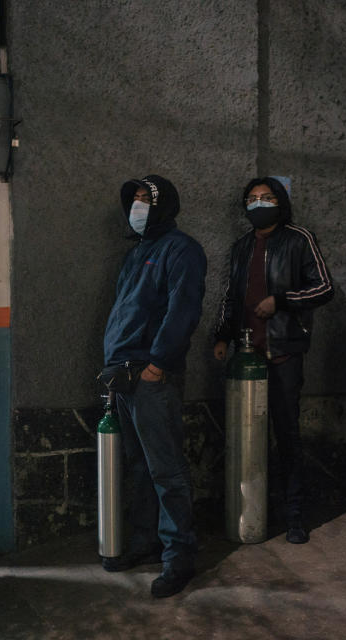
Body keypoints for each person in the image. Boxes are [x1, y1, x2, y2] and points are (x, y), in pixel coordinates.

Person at [99, 175, 206, 598]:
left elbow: (183, 309)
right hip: (123, 375)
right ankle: (147, 544)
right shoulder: (137, 253)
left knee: (166, 468)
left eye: (146, 199)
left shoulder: (182, 250)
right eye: (134, 199)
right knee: (139, 465)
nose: (138, 205)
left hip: (150, 375)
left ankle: (179, 556)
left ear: (164, 205)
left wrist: (157, 366)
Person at [213, 176, 334, 544]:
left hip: (283, 354)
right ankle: (250, 512)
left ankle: (294, 516)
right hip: (246, 357)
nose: (258, 203)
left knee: (287, 435)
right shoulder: (241, 247)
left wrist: (281, 301)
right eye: (251, 198)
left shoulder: (299, 239)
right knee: (246, 438)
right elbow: (230, 297)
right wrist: (221, 336)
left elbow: (324, 287)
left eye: (265, 197)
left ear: (280, 202)